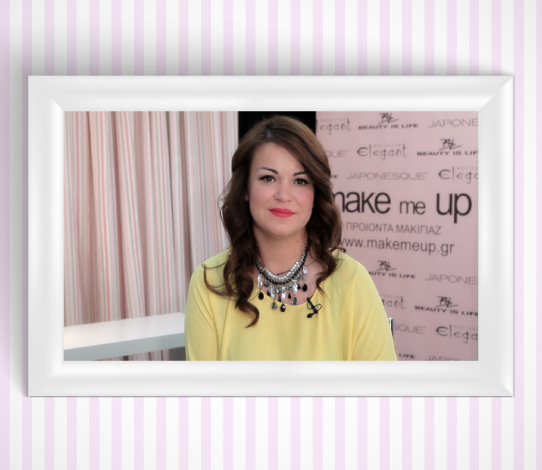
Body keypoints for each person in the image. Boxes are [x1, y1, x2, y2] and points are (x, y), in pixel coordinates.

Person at [185, 115, 397, 361]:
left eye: (300, 181)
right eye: (268, 178)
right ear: (245, 188)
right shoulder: (210, 282)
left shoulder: (351, 281)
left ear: (315, 194)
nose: (284, 195)